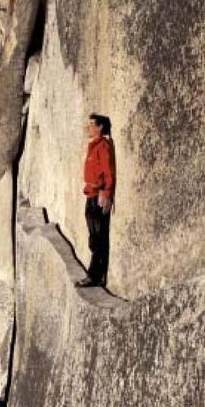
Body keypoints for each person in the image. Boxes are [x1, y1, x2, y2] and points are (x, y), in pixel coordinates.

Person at [80, 113, 115, 287]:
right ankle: (95, 275)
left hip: (99, 197)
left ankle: (95, 276)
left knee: (99, 238)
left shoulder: (103, 146)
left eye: (93, 124)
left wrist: (106, 193)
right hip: (91, 195)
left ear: (100, 127)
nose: (90, 127)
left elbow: (108, 171)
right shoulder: (93, 146)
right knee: (94, 237)